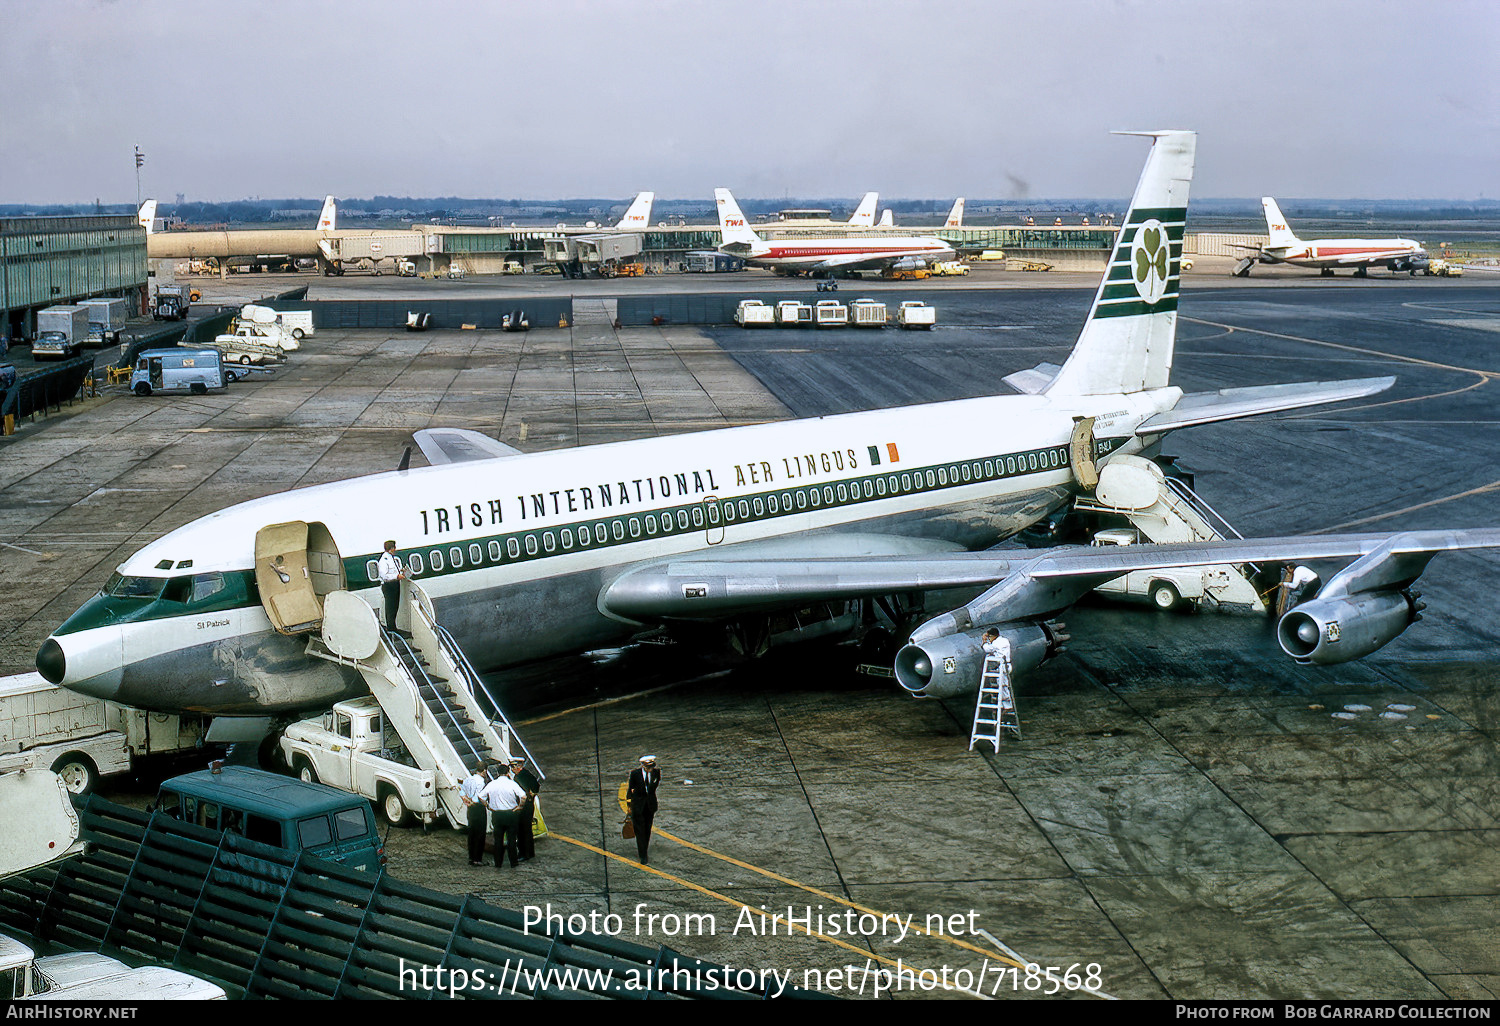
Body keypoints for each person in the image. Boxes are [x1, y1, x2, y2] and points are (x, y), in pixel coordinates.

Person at [480, 762, 527, 869]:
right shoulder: (512, 784)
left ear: (498, 773)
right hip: (511, 814)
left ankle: (498, 863)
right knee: (511, 839)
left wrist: (488, 805)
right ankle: (513, 862)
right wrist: (519, 807)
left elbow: (481, 796)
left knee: (498, 840)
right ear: (507, 772)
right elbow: (523, 796)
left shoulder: (492, 784)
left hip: (497, 815)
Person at [626, 755, 661, 865]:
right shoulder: (635, 774)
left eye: (651, 767)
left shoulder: (656, 773)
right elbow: (630, 790)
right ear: (643, 766)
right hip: (638, 806)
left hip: (650, 805)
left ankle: (644, 848)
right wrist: (629, 806)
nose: (650, 770)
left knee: (647, 830)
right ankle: (643, 854)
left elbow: (653, 788)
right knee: (640, 831)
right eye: (647, 768)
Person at [511, 757, 540, 862]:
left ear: (519, 766)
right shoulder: (527, 774)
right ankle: (530, 852)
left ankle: (523, 853)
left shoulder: (518, 778)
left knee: (521, 830)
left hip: (523, 806)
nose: (512, 769)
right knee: (527, 830)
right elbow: (536, 785)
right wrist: (532, 795)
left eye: (513, 766)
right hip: (529, 805)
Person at [460, 762, 489, 866]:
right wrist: (487, 805)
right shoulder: (481, 782)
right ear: (484, 770)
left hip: (470, 809)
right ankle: (478, 859)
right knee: (480, 833)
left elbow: (461, 792)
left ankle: (471, 857)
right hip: (478, 808)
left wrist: (467, 801)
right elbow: (479, 798)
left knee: (472, 833)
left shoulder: (468, 779)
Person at [377, 540, 406, 633]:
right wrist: (396, 576)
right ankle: (391, 629)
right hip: (389, 586)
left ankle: (393, 627)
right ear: (391, 549)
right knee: (390, 608)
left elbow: (391, 570)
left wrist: (400, 571)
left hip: (394, 584)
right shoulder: (384, 560)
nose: (395, 549)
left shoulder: (390, 558)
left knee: (395, 606)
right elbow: (384, 575)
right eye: (394, 547)